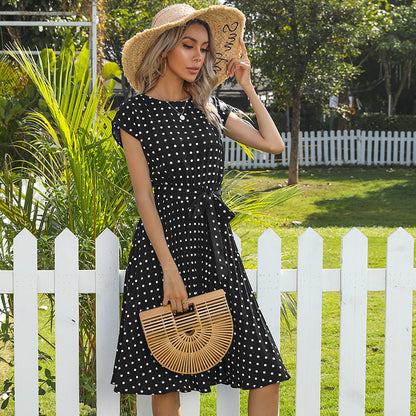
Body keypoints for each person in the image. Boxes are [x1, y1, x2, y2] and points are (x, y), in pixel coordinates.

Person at [111, 4, 290, 415]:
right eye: (188, 45)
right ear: (164, 49)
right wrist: (169, 273)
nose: (197, 56)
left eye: (204, 48)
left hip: (214, 244)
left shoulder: (209, 108)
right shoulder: (135, 114)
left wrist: (247, 84)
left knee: (263, 367)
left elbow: (273, 144)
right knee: (165, 374)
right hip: (164, 251)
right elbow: (144, 198)